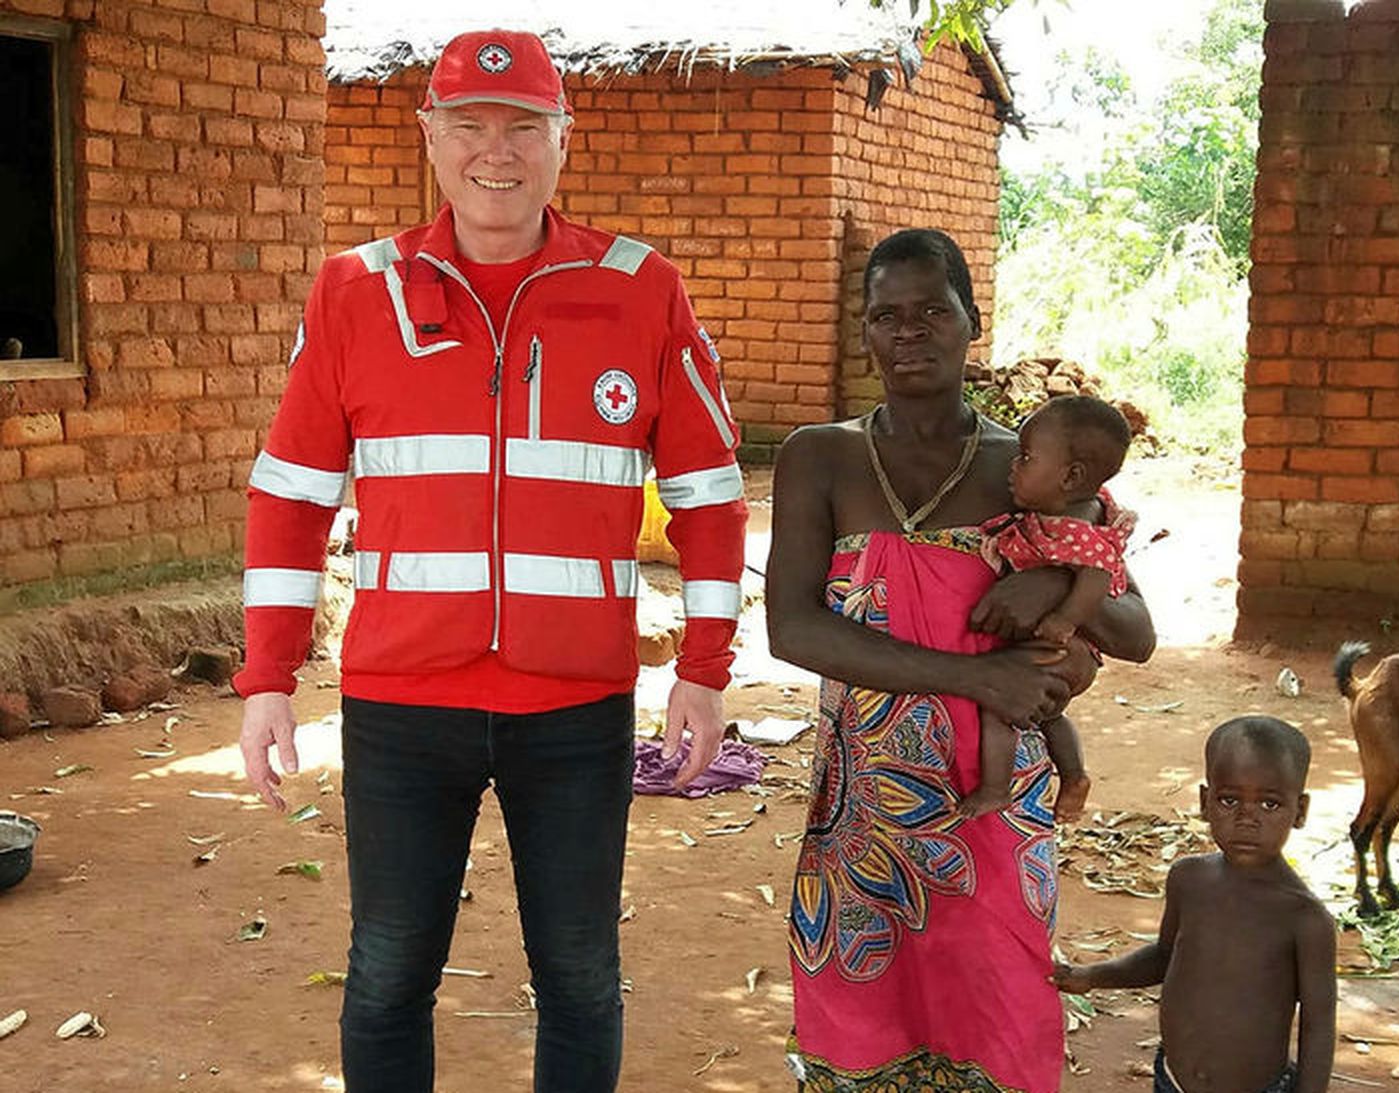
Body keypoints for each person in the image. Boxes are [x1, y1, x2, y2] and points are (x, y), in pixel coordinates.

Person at [234, 29, 746, 1093]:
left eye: (521, 127)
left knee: (577, 974)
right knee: (384, 973)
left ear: (563, 138)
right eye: (468, 126)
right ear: (430, 137)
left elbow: (704, 495)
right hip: (400, 704)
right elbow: (289, 497)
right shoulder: (352, 292)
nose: (494, 153)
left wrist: (702, 666)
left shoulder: (640, 288)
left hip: (573, 709)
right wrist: (266, 679)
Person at [767, 228, 1154, 1092]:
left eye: (932, 310)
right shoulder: (819, 457)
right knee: (861, 1023)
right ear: (864, 333)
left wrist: (1054, 577)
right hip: (861, 812)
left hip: (991, 806)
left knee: (998, 1016)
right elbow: (791, 628)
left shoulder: (1034, 467)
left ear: (972, 321)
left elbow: (1134, 630)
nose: (909, 331)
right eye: (885, 316)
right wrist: (976, 674)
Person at [1053, 716, 1338, 1093]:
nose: (1246, 819)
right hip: (1171, 1081)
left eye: (1270, 804)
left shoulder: (1304, 919)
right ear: (1206, 803)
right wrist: (1093, 976)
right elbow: (1165, 956)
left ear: (1299, 811)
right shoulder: (1188, 879)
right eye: (1229, 800)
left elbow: (1319, 1025)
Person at [960, 394, 1136, 820]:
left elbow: (1097, 575)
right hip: (1066, 646)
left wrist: (1063, 616)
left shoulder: (1077, 531)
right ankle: (1073, 775)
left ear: (1070, 476)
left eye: (1025, 458)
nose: (1013, 466)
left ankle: (996, 789)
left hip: (1068, 644)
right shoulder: (1060, 518)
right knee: (1046, 713)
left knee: (1000, 701)